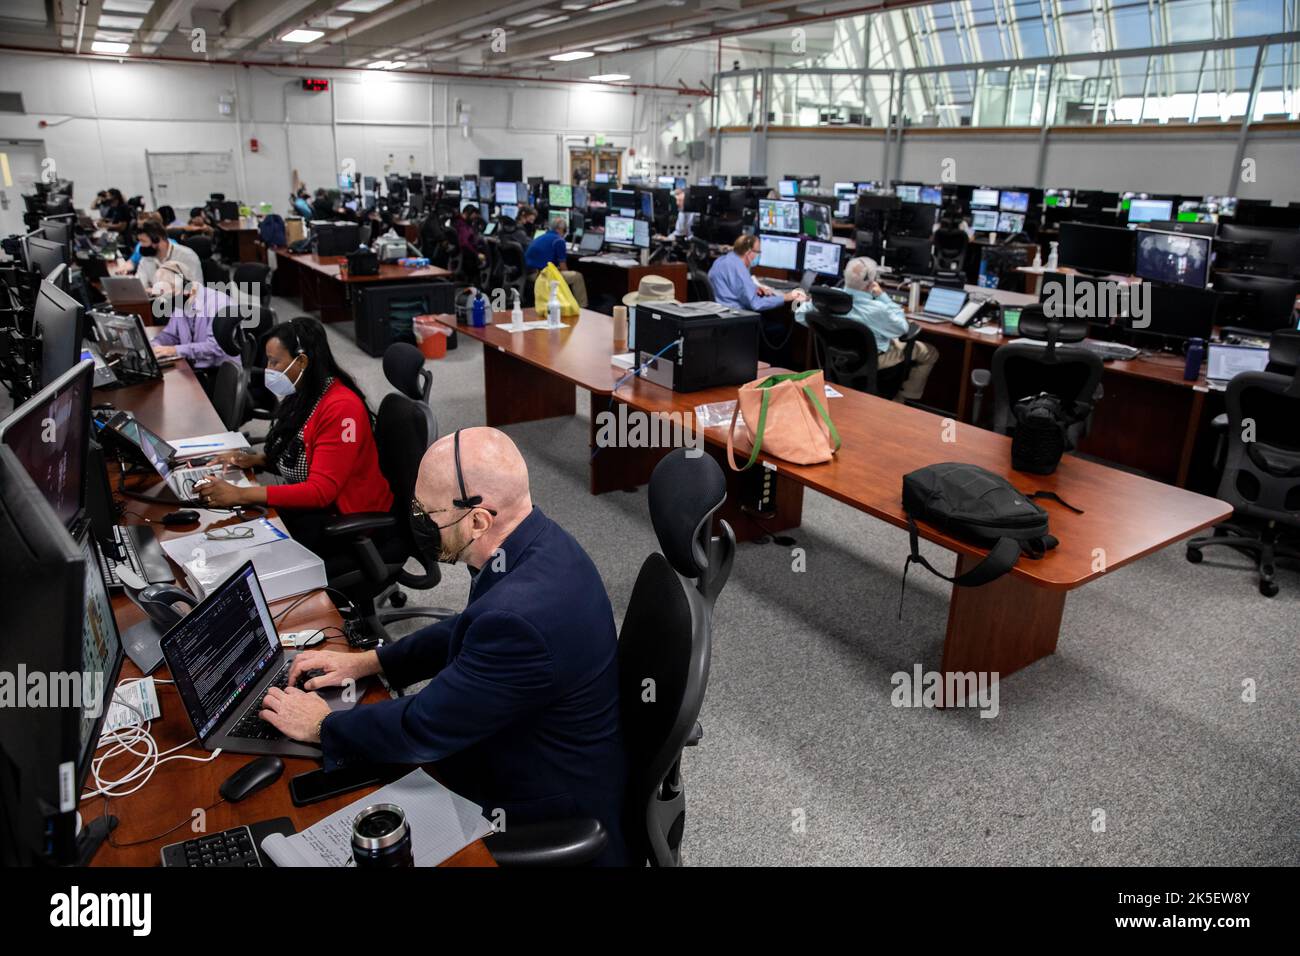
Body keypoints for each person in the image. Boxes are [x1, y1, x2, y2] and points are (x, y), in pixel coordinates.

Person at [256, 427, 630, 866]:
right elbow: (467, 627)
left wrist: (323, 726)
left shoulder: (520, 619)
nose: (418, 523)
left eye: (427, 512)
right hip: (530, 739)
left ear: (478, 520)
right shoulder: (534, 542)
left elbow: (424, 727)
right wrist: (370, 661)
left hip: (540, 801)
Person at [195, 317, 393, 553]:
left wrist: (241, 494)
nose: (268, 370)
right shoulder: (304, 393)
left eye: (274, 362)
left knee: (246, 549)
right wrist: (255, 460)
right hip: (317, 509)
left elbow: (321, 492)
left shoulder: (342, 408)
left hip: (344, 519)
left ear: (302, 361)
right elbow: (301, 454)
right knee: (232, 533)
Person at [794, 256, 938, 402]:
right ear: (871, 282)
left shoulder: (827, 298)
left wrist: (816, 304)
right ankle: (902, 400)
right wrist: (882, 296)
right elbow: (902, 329)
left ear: (845, 274)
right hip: (876, 359)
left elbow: (799, 315)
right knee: (930, 352)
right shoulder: (877, 310)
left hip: (838, 358)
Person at [147, 261, 238, 390]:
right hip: (194, 368)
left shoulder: (219, 304)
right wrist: (155, 346)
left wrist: (174, 350)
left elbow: (215, 348)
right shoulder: (180, 301)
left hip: (219, 374)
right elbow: (170, 334)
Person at [708, 233, 807, 311]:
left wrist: (753, 288)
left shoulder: (722, 260)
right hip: (735, 317)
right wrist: (786, 297)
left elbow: (733, 286)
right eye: (758, 252)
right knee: (778, 328)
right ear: (748, 252)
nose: (758, 255)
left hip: (720, 313)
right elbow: (756, 304)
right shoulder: (739, 268)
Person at [524, 216, 588, 307]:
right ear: (560, 229)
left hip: (529, 274)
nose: (565, 233)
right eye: (565, 230)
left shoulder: (541, 237)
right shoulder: (559, 241)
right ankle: (582, 307)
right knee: (577, 277)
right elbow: (563, 268)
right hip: (540, 275)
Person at [135, 220, 202, 287]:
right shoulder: (146, 258)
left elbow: (197, 289)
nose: (141, 245)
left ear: (156, 239)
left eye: (143, 241)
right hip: (155, 297)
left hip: (180, 297)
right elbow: (139, 286)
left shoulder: (186, 256)